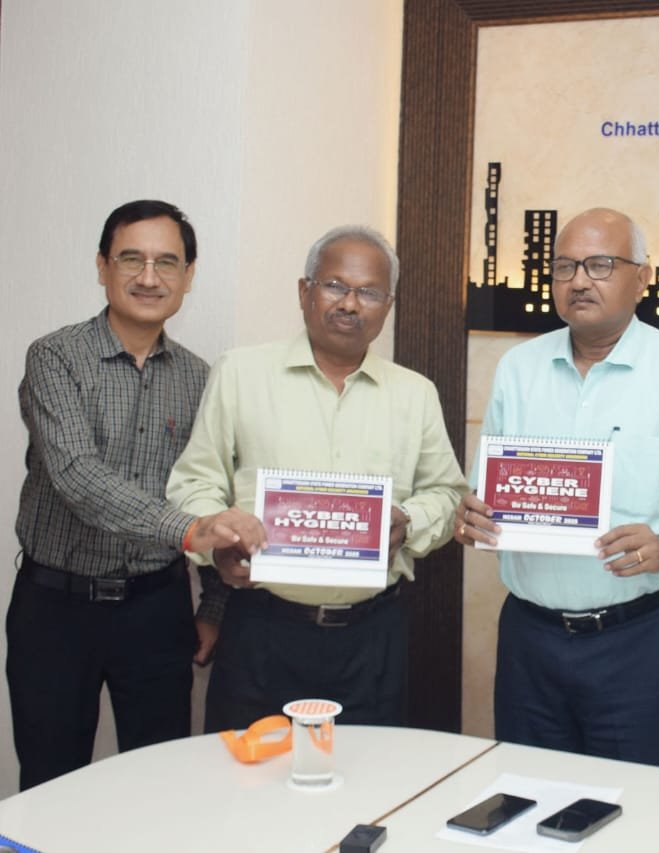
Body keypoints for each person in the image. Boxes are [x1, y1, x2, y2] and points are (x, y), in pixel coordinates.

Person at [456, 207, 659, 770]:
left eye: (600, 265)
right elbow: (488, 492)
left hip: (639, 642)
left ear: (643, 278)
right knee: (528, 798)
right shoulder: (518, 368)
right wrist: (472, 516)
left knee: (638, 808)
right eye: (564, 267)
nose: (579, 280)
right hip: (531, 640)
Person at [166, 224, 468, 731]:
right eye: (334, 286)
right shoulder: (240, 373)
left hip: (372, 638)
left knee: (367, 773)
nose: (350, 304)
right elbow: (194, 482)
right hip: (261, 631)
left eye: (369, 292)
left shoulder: (416, 393)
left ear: (388, 306)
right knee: (246, 772)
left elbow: (447, 494)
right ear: (304, 291)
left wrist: (408, 520)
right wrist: (218, 538)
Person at [8, 199, 267, 790]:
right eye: (132, 259)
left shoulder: (201, 378)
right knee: (51, 786)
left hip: (158, 609)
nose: (149, 277)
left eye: (167, 262)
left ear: (188, 275)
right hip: (55, 610)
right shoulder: (55, 357)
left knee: (160, 785)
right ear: (102, 266)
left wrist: (213, 608)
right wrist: (188, 530)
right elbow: (77, 476)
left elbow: (217, 490)